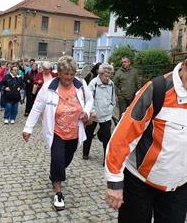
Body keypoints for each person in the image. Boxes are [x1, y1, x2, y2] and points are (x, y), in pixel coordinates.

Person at [105, 60, 187, 223]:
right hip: (140, 182)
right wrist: (114, 182)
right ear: (186, 65)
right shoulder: (157, 89)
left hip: (178, 186)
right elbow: (123, 136)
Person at [22, 56, 93, 210]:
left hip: (74, 132)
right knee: (58, 158)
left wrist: (86, 112)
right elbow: (37, 107)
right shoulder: (48, 87)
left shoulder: (81, 85)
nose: (69, 78)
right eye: (66, 74)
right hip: (56, 132)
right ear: (59, 73)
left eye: (72, 74)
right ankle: (58, 192)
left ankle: (56, 173)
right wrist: (28, 128)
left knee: (65, 160)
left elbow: (90, 100)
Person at [83, 63, 115, 164]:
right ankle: (85, 153)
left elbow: (113, 100)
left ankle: (106, 159)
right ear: (100, 74)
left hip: (106, 115)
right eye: (106, 75)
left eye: (109, 75)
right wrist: (91, 111)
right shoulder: (93, 83)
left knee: (107, 137)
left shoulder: (111, 84)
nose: (107, 77)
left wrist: (110, 108)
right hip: (94, 114)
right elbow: (88, 98)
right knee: (88, 134)